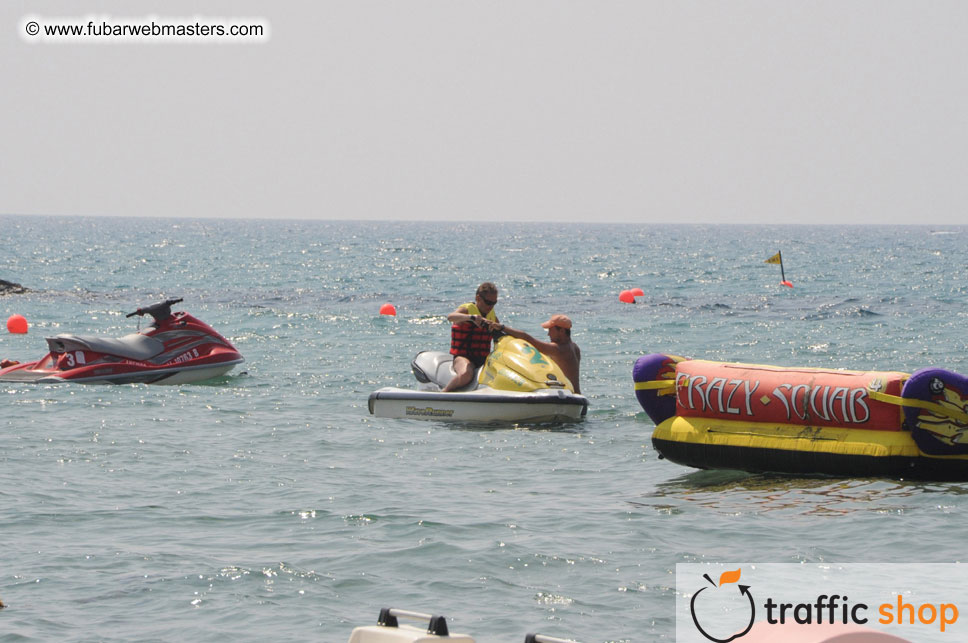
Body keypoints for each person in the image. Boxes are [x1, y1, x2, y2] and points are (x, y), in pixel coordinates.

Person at [488, 314, 581, 394]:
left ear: (561, 331)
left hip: (569, 397)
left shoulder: (559, 349)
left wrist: (503, 327)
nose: (548, 334)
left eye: (551, 330)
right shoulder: (574, 347)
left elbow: (528, 339)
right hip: (578, 397)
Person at [443, 282, 500, 392]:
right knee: (466, 374)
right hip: (463, 356)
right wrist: (471, 318)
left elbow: (501, 334)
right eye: (488, 302)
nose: (491, 306)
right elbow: (451, 317)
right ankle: (444, 393)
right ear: (478, 298)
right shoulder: (467, 310)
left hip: (483, 358)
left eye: (494, 303)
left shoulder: (492, 316)